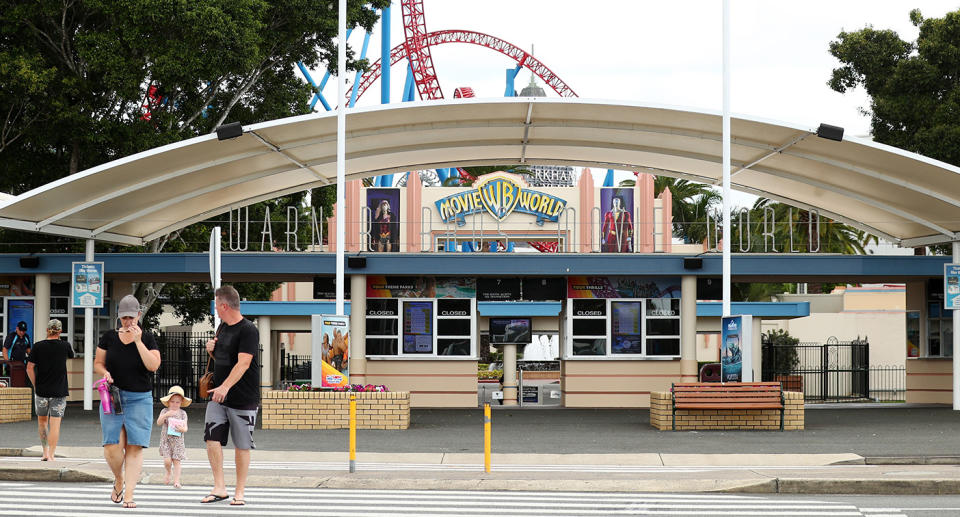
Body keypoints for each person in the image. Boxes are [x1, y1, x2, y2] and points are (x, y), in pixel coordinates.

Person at [94, 294, 161, 509]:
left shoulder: (148, 338)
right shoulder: (109, 337)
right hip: (113, 395)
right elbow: (98, 362)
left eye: (131, 317)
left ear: (139, 315)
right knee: (111, 446)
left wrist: (138, 341)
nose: (128, 322)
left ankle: (129, 493)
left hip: (139, 398)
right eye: (124, 318)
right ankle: (119, 479)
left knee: (134, 446)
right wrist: (104, 373)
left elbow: (153, 365)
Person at [202, 285, 260, 507]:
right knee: (211, 439)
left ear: (224, 305)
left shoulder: (248, 330)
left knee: (242, 445)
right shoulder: (222, 328)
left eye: (216, 305)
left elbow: (244, 363)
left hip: (243, 397)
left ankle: (239, 491)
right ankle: (220, 488)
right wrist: (211, 350)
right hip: (218, 395)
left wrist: (225, 387)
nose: (215, 309)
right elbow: (223, 360)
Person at [26, 319, 74, 461]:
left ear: (47, 330)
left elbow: (29, 367)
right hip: (59, 391)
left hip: (41, 391)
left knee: (42, 422)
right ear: (60, 331)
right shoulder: (65, 346)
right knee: (55, 425)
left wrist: (35, 384)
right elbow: (71, 356)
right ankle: (52, 454)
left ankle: (45, 452)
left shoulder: (38, 346)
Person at [157, 385, 190, 489]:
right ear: (168, 402)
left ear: (181, 403)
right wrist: (166, 415)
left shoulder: (183, 413)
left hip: (178, 441)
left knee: (177, 461)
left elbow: (185, 428)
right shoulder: (164, 411)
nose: (175, 404)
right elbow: (158, 422)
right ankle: (168, 471)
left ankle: (176, 481)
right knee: (167, 460)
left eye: (177, 402)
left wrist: (182, 429)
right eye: (172, 402)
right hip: (166, 440)